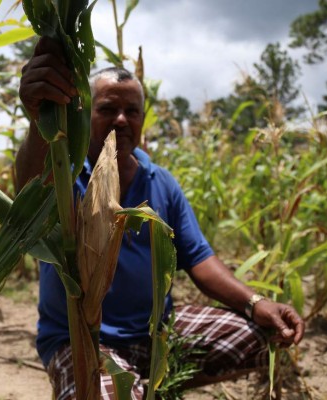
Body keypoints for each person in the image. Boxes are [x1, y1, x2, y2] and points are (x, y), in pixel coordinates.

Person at [16, 37, 305, 400]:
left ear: (141, 119)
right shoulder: (64, 178)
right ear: (83, 113)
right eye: (107, 108)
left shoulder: (161, 182)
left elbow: (199, 259)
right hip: (81, 340)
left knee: (266, 337)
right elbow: (28, 194)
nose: (121, 120)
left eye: (132, 111)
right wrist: (37, 120)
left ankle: (151, 382)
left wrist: (255, 303)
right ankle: (124, 387)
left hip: (156, 334)